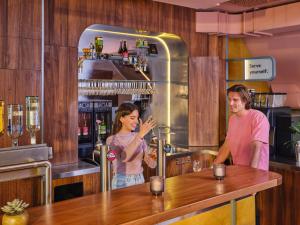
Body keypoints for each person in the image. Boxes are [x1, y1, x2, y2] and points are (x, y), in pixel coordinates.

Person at [214, 84, 270, 171]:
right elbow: (226, 146)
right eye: (229, 99)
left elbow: (256, 148)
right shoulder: (232, 119)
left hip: (257, 174)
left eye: (235, 100)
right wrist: (213, 166)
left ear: (245, 101)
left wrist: (251, 174)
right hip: (238, 172)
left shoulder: (258, 118)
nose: (231, 103)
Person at [106, 102, 157, 189]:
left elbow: (152, 165)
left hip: (140, 179)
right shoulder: (112, 140)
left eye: (137, 118)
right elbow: (124, 158)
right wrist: (140, 135)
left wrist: (153, 157)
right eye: (132, 118)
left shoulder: (138, 136)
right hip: (122, 181)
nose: (136, 122)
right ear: (122, 119)